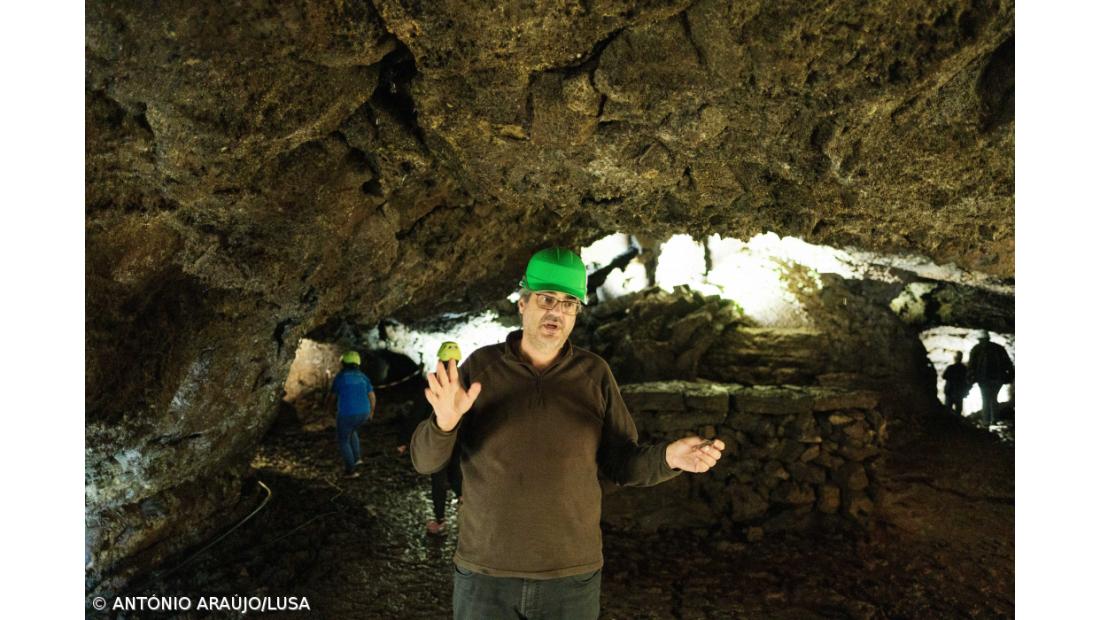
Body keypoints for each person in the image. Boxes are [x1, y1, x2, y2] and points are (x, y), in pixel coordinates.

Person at [410, 247, 726, 619]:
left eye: (569, 303)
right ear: (523, 304)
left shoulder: (595, 375)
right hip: (486, 575)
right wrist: (444, 424)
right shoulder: (481, 369)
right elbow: (424, 461)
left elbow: (622, 463)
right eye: (546, 299)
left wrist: (669, 458)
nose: (556, 312)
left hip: (570, 579)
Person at [398, 371, 463, 535]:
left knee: (438, 477)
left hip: (437, 438)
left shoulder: (432, 387)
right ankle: (464, 501)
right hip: (459, 436)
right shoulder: (463, 383)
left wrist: (404, 439)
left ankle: (440, 521)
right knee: (456, 470)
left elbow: (416, 414)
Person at [326, 351, 376, 478]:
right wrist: (371, 412)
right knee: (352, 431)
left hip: (347, 414)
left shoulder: (341, 377)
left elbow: (332, 398)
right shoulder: (363, 376)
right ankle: (357, 459)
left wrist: (329, 410)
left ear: (343, 363)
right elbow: (372, 396)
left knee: (343, 440)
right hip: (364, 413)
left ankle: (351, 471)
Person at [966, 331, 1014, 427]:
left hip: (983, 379)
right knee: (993, 398)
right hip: (998, 378)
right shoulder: (998, 348)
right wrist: (1009, 377)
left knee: (986, 399)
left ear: (979, 339)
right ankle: (994, 420)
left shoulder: (977, 349)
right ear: (988, 338)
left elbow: (971, 365)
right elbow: (1008, 363)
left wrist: (970, 379)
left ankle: (986, 421)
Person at [942, 352, 969, 416]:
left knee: (948, 411)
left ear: (955, 358)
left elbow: (944, 376)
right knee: (958, 411)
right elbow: (967, 380)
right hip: (959, 392)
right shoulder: (964, 368)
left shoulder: (951, 367)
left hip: (950, 391)